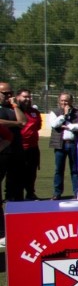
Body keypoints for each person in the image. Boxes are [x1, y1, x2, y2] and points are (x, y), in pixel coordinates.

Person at [0, 81, 27, 246]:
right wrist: (15, 124)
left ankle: (16, 228)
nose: (9, 96)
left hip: (16, 152)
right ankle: (2, 231)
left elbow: (23, 122)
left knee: (16, 191)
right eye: (5, 93)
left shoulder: (14, 108)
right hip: (2, 154)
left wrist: (15, 107)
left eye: (11, 93)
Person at [48, 92, 78, 199]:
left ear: (71, 101)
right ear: (59, 101)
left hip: (73, 144)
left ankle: (77, 192)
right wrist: (64, 115)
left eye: (66, 100)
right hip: (60, 145)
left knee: (75, 169)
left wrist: (69, 126)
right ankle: (57, 193)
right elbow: (54, 124)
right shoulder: (54, 112)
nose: (64, 103)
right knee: (59, 170)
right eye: (62, 100)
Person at [15, 89, 41, 199]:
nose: (27, 99)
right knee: (18, 173)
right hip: (18, 147)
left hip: (33, 147)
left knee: (32, 172)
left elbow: (38, 126)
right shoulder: (15, 110)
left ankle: (30, 193)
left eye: (29, 97)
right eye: (24, 96)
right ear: (17, 97)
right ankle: (17, 195)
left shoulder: (34, 112)